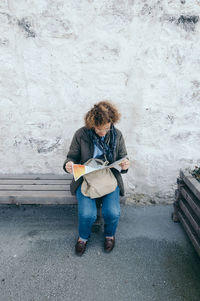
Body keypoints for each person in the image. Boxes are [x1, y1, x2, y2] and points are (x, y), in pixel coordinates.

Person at [63, 101, 130, 256]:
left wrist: (125, 165)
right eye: (100, 129)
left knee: (112, 212)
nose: (104, 132)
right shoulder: (81, 134)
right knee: (88, 214)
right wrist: (69, 164)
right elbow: (71, 157)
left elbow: (122, 157)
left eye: (107, 128)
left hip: (108, 178)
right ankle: (83, 238)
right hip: (86, 178)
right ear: (92, 124)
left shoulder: (116, 134)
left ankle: (109, 236)